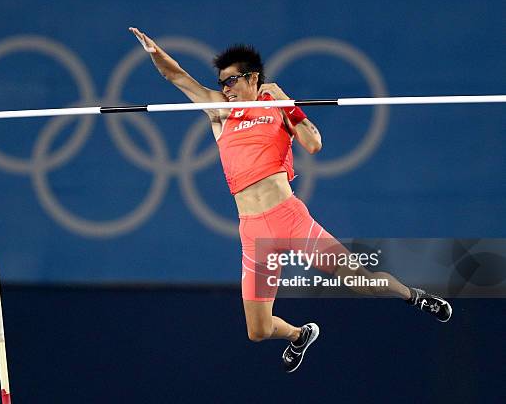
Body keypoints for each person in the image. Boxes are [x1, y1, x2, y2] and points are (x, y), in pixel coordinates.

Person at [129, 27, 452, 373]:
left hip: (288, 218)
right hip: (252, 231)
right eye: (221, 83)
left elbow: (314, 144)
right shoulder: (220, 113)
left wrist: (288, 104)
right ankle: (300, 335)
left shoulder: (279, 107)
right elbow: (175, 75)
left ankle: (413, 296)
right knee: (258, 330)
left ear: (253, 79)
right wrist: (154, 51)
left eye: (232, 81)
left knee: (360, 281)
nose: (225, 90)